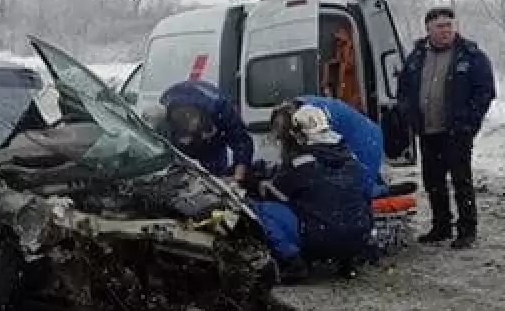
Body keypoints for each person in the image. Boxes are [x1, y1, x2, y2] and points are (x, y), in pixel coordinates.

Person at [397, 6, 496, 249]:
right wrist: (408, 114)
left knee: (461, 179)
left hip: (456, 131)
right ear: (428, 29)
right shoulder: (417, 56)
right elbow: (404, 90)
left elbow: (485, 91)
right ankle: (441, 225)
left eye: (449, 25)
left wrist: (469, 121)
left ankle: (467, 229)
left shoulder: (470, 55)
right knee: (433, 180)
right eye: (440, 26)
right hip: (428, 130)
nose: (445, 31)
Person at [251, 104, 373, 282]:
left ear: (298, 134)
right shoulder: (351, 158)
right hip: (358, 238)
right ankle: (347, 260)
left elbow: (276, 191)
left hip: (319, 238)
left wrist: (262, 183)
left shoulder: (301, 162)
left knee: (261, 209)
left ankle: (293, 262)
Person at [287, 94, 387, 199]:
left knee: (360, 192)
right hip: (365, 134)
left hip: (366, 141)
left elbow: (322, 149)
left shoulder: (315, 116)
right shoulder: (306, 108)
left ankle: (382, 192)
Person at [155, 79, 254, 184]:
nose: (191, 126)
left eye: (193, 120)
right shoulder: (163, 120)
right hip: (180, 151)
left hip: (213, 147)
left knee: (214, 176)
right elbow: (161, 155)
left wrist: (237, 178)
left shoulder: (221, 108)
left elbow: (241, 141)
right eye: (183, 121)